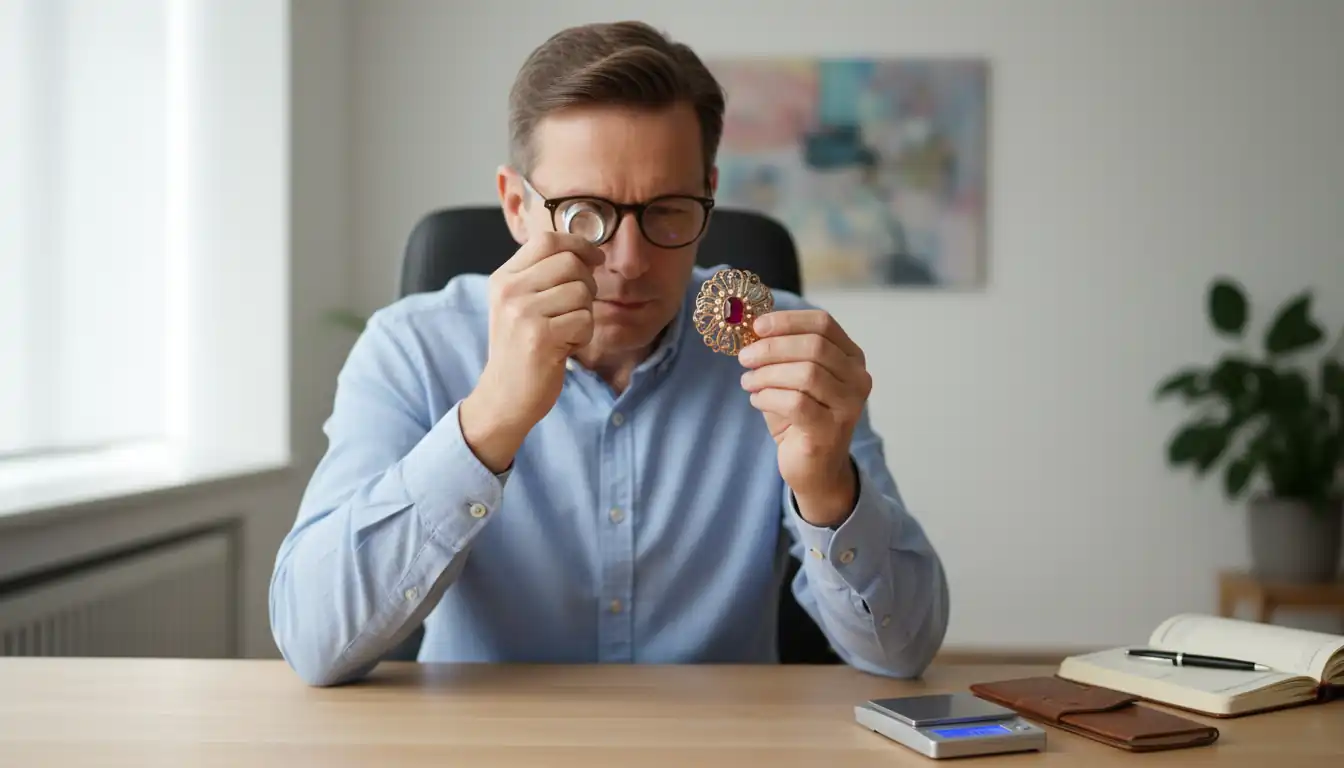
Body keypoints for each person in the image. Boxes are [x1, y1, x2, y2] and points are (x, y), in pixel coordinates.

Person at [269, 20, 949, 687]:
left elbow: (903, 653)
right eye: (585, 211)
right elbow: (314, 642)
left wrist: (827, 488)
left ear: (707, 196)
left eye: (669, 210)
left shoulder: (791, 355)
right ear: (516, 205)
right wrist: (488, 422)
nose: (628, 262)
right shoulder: (411, 349)